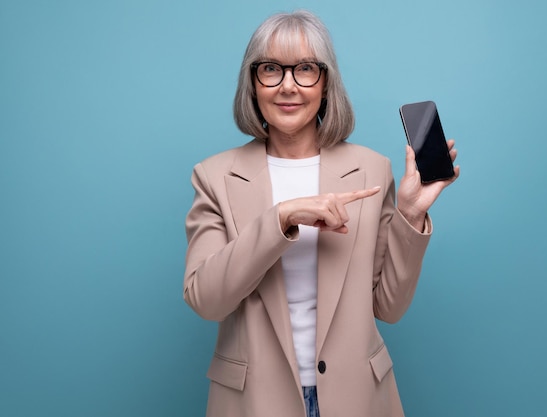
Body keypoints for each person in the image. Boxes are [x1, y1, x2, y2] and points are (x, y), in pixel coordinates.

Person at [183, 10, 459, 417]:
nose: (288, 86)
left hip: (357, 398)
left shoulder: (370, 169)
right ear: (253, 82)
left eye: (306, 69)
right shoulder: (214, 176)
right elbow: (206, 301)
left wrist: (410, 215)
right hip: (255, 403)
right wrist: (281, 218)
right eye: (271, 69)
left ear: (326, 83)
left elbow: (389, 308)